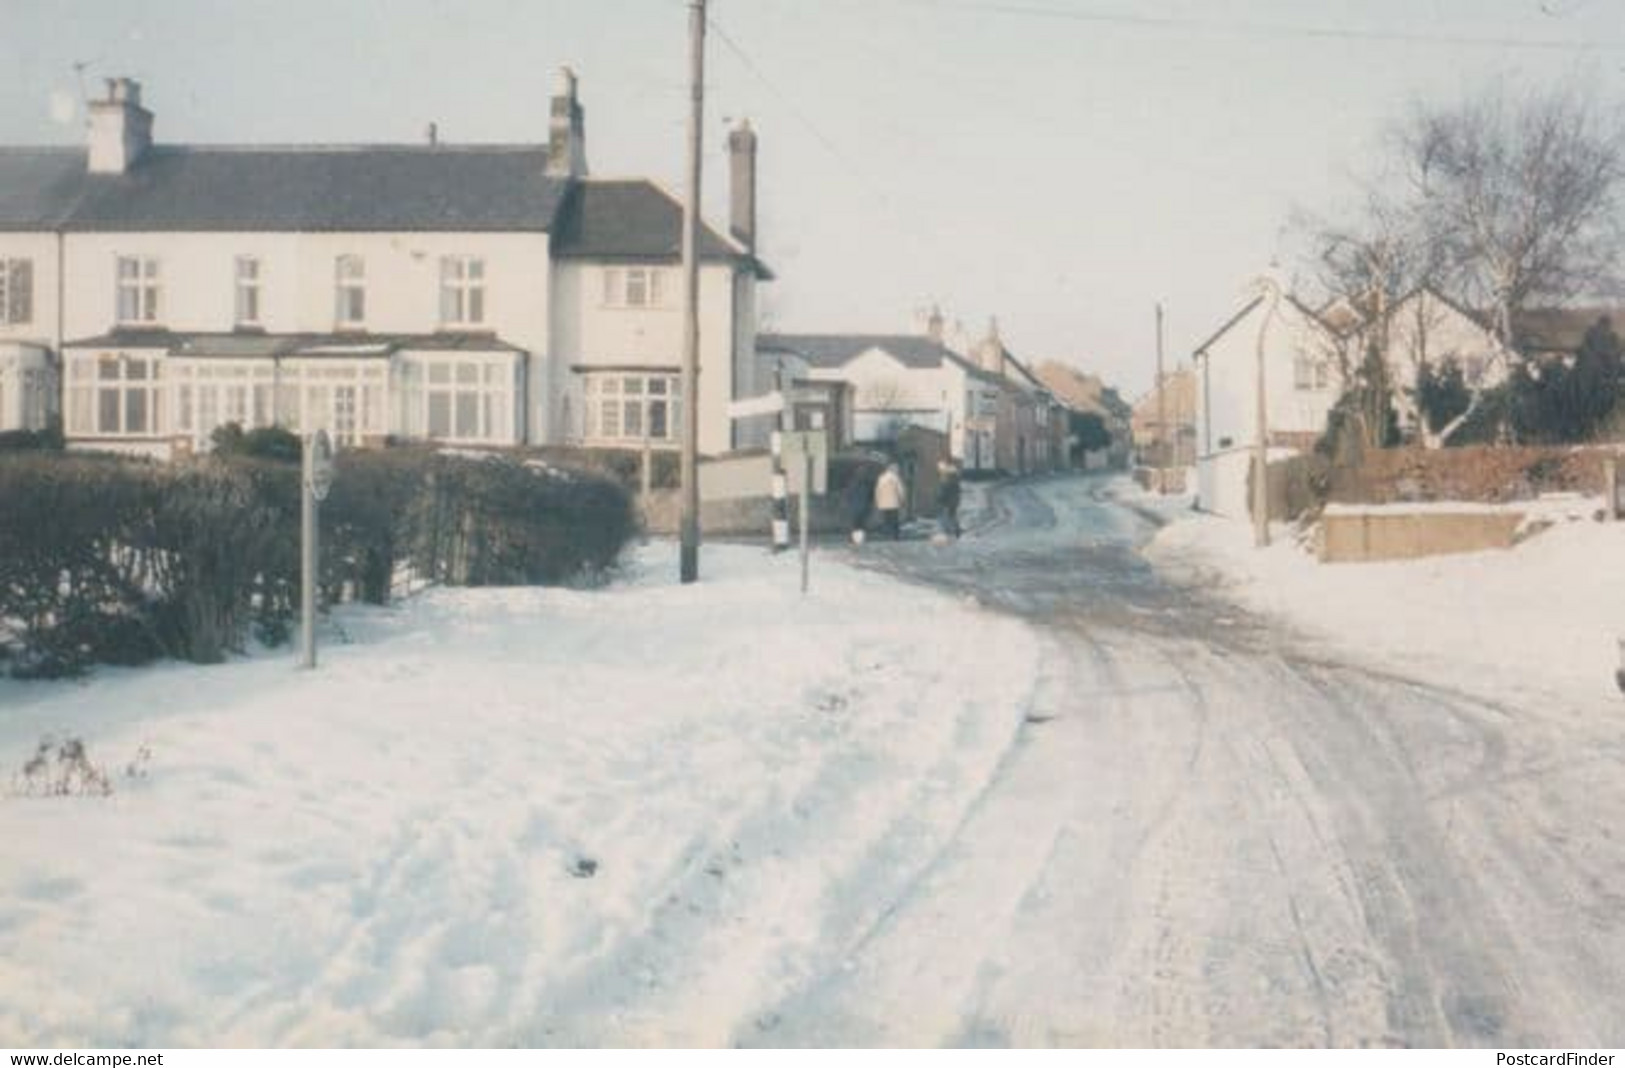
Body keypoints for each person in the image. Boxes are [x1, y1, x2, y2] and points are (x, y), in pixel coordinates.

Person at [873, 463, 905, 540]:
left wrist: (877, 501)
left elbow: (877, 491)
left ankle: (887, 534)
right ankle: (895, 535)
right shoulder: (895, 478)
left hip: (883, 503)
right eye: (897, 469)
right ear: (893, 469)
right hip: (893, 503)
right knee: (894, 520)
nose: (898, 471)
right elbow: (900, 490)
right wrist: (902, 500)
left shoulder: (881, 478)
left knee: (886, 519)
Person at [935, 460, 962, 539]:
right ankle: (956, 529)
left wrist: (939, 498)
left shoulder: (945, 478)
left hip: (945, 502)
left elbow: (942, 491)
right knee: (952, 515)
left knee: (943, 516)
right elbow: (957, 490)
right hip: (954, 501)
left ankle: (946, 531)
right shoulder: (954, 478)